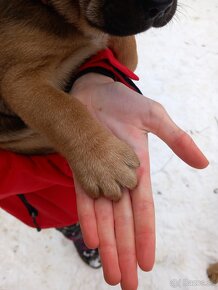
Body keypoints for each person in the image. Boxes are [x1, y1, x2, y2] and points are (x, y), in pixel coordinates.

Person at [0, 49, 209, 290]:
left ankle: (80, 233)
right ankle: (77, 236)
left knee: (98, 217)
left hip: (92, 148)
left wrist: (94, 74)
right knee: (74, 224)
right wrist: (75, 159)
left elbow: (70, 34)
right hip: (39, 199)